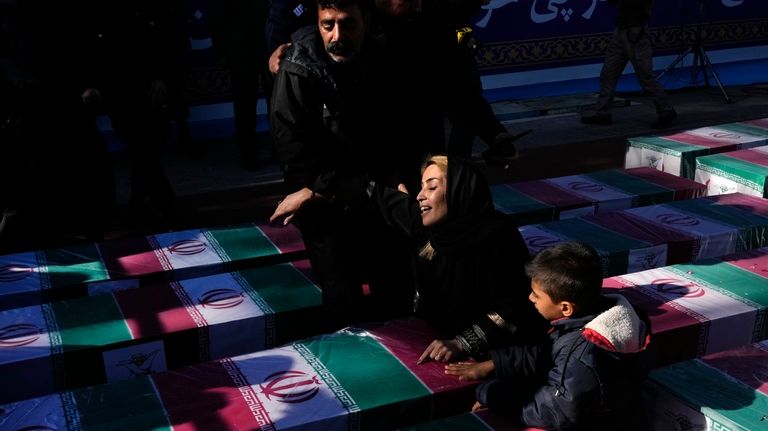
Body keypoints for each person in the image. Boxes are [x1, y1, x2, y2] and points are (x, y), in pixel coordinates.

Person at [269, 0, 416, 331]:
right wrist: (337, 189)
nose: (338, 35)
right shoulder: (297, 67)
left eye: (348, 24)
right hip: (328, 203)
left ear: (366, 19)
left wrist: (396, 178)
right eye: (328, 25)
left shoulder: (386, 56)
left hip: (377, 194)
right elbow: (296, 158)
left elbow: (398, 131)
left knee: (395, 291)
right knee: (342, 300)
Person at [445, 241, 654, 430]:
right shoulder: (606, 316)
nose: (530, 298)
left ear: (565, 308)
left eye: (536, 295)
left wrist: (491, 393)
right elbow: (548, 351)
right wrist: (496, 364)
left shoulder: (583, 352)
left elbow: (554, 412)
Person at [373, 155, 549, 364]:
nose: (420, 196)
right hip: (429, 343)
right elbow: (389, 203)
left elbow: (514, 307)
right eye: (421, 187)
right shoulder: (435, 232)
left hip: (490, 356)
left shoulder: (496, 237)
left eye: (432, 187)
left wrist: (462, 343)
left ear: (459, 190)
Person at [83, 0, 182, 229]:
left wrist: (164, 78)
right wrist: (94, 86)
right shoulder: (101, 11)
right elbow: (91, 47)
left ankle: (139, 207)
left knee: (147, 154)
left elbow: (169, 42)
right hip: (120, 95)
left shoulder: (154, 8)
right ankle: (167, 212)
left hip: (152, 93)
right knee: (144, 154)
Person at [581, 0, 677, 129]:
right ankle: (603, 112)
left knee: (645, 76)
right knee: (608, 73)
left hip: (636, 30)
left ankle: (666, 110)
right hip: (622, 29)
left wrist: (637, 28)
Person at [212, 0, 271, 170]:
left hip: (268, 44)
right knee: (244, 104)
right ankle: (249, 154)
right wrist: (221, 51)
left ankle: (280, 149)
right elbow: (218, 15)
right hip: (239, 48)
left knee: (277, 99)